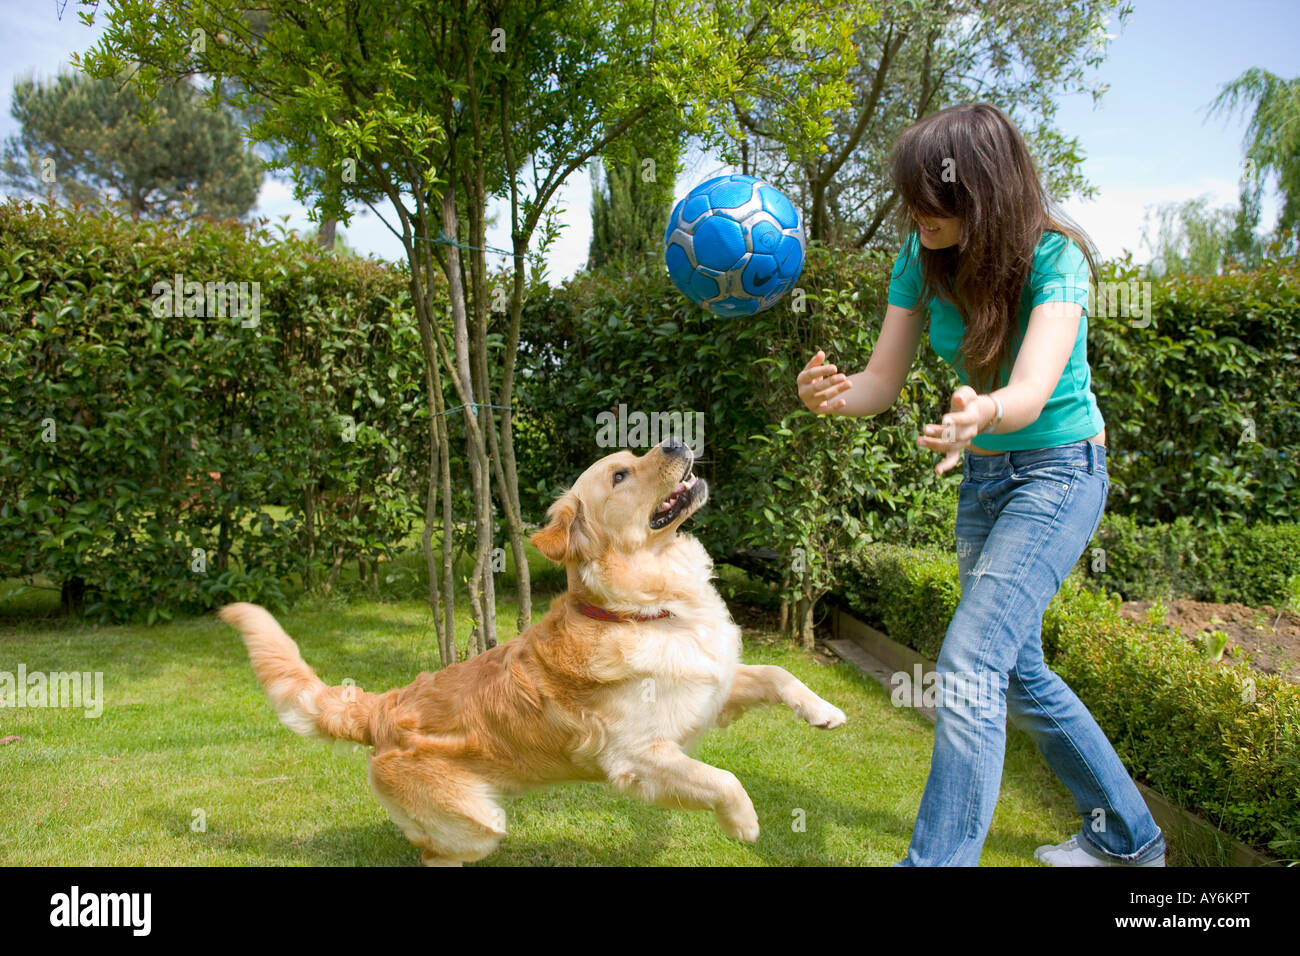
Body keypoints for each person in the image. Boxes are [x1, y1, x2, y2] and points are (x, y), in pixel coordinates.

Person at [796, 102, 1166, 867]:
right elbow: (879, 381)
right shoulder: (922, 254)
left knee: (970, 664)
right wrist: (829, 396)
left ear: (983, 190)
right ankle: (1129, 838)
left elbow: (1030, 389)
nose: (916, 213)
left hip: (1060, 473)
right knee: (1017, 670)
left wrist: (984, 412)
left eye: (932, 198)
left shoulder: (1055, 256)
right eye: (910, 198)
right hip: (989, 476)